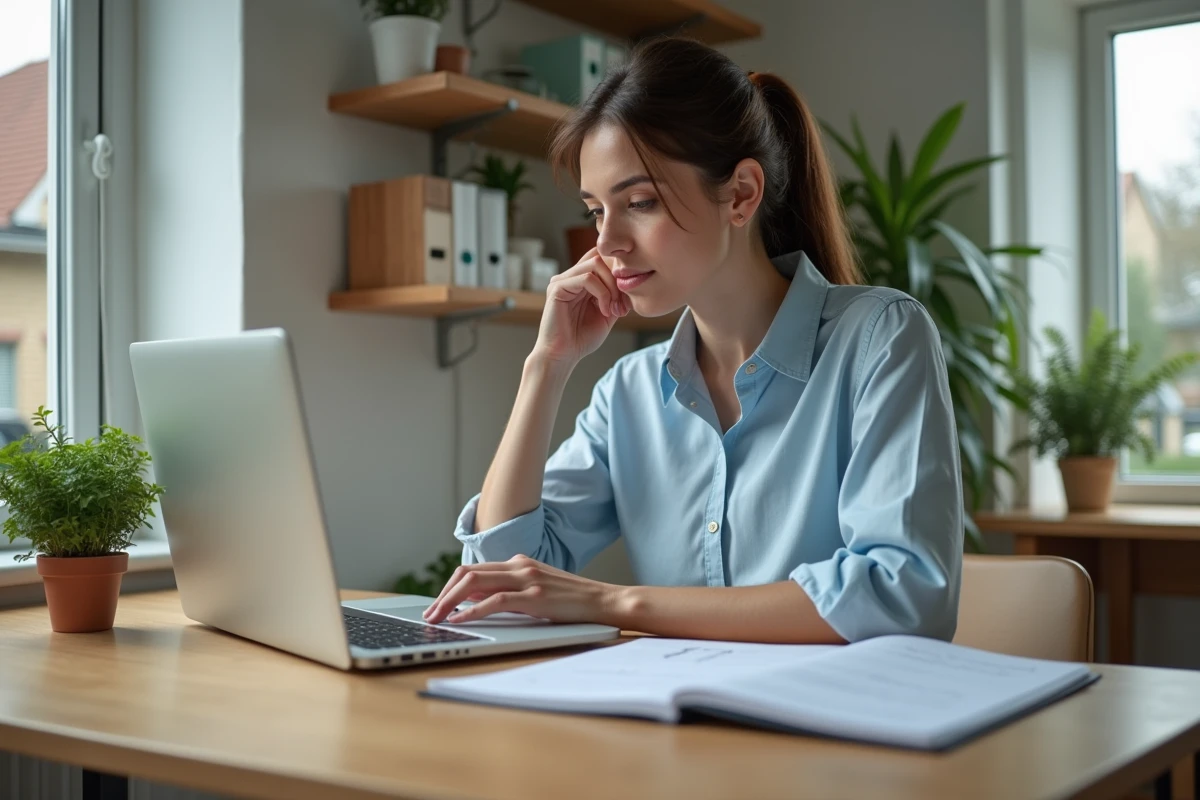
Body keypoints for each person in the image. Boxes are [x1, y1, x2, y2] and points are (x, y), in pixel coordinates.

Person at [422, 37, 963, 644]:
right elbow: (500, 581)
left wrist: (617, 602)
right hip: (676, 728)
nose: (608, 243)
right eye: (597, 210)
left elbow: (902, 592)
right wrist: (545, 367)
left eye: (641, 202)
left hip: (840, 730)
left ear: (741, 194)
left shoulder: (879, 339)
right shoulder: (628, 392)